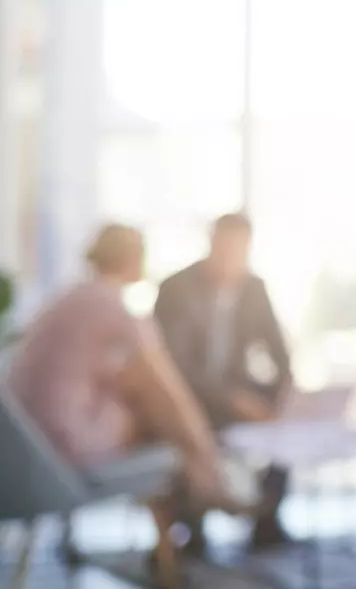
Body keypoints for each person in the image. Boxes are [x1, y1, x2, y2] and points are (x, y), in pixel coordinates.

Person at [5, 224, 251, 514]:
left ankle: (199, 491)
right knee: (153, 402)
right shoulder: (109, 303)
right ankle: (211, 478)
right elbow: (165, 383)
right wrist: (201, 445)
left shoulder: (69, 297)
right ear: (135, 258)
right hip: (60, 449)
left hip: (19, 452)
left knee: (133, 386)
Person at [154, 212, 294, 551]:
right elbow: (176, 366)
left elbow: (277, 347)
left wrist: (285, 391)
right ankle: (192, 527)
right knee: (188, 428)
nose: (232, 257)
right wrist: (232, 400)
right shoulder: (177, 288)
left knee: (283, 424)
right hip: (186, 393)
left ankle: (266, 519)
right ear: (212, 243)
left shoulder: (253, 287)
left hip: (236, 386)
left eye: (239, 250)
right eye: (225, 247)